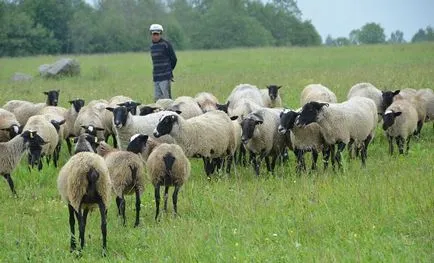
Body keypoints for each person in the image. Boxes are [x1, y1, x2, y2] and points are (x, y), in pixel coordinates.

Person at [149, 23, 177, 101]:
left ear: (161, 34)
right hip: (156, 76)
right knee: (157, 99)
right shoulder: (152, 46)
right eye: (153, 34)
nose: (155, 36)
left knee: (166, 99)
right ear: (151, 34)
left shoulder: (166, 44)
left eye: (157, 34)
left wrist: (169, 70)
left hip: (165, 76)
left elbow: (174, 59)